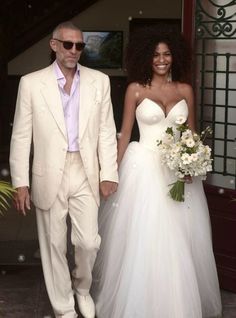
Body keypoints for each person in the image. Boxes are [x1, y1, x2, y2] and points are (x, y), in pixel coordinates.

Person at [92, 27, 222, 318]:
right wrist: (109, 173)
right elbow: (124, 135)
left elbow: (192, 135)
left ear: (174, 57)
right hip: (142, 170)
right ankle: (141, 303)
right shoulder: (135, 89)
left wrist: (192, 163)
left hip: (176, 173)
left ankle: (175, 305)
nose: (161, 60)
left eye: (166, 54)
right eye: (155, 55)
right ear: (146, 58)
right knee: (145, 237)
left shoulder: (185, 90)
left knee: (178, 239)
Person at [10, 21, 118, 318]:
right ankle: (63, 307)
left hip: (85, 169)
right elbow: (21, 135)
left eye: (79, 46)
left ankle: (82, 288)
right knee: (53, 244)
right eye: (67, 44)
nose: (74, 51)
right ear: (53, 44)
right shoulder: (31, 83)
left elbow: (107, 131)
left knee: (87, 242)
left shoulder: (100, 81)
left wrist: (109, 172)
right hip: (48, 171)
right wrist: (20, 182)